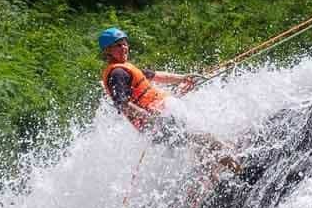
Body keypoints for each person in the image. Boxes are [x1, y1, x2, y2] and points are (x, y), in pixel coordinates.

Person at [98, 27, 241, 172]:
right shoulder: (117, 73)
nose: (124, 48)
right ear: (107, 50)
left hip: (160, 119)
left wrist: (182, 78)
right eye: (118, 45)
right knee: (202, 138)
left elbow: (156, 76)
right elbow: (123, 104)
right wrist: (150, 118)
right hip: (157, 123)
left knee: (197, 145)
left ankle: (212, 178)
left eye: (124, 43)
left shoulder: (125, 67)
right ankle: (237, 167)